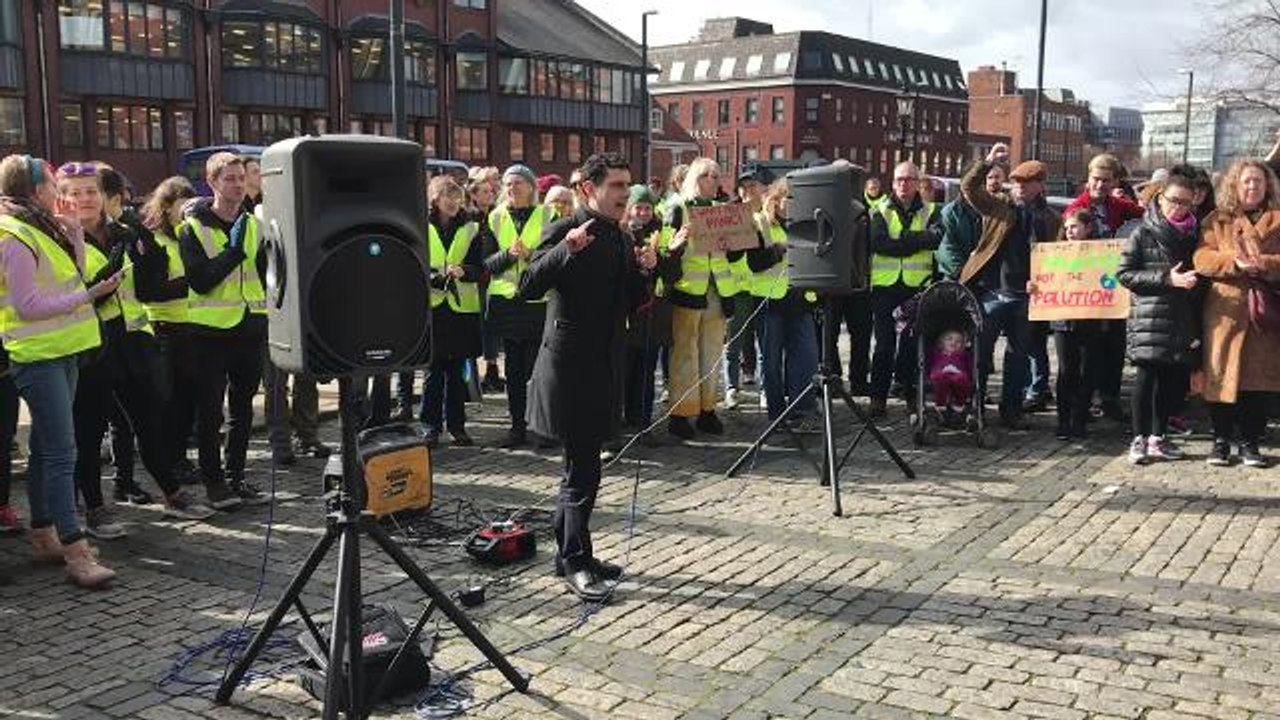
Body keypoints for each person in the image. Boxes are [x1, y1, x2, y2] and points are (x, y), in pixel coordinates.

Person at [521, 152, 656, 602]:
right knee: (582, 468)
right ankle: (575, 560)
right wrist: (566, 251)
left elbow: (633, 302)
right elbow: (527, 285)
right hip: (568, 365)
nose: (625, 195)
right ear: (588, 189)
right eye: (616, 186)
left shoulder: (620, 235)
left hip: (605, 361)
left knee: (585, 465)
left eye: (627, 185)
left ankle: (570, 553)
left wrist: (646, 270)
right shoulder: (566, 229)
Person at [59, 164, 214, 536]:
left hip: (131, 339)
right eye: (75, 192)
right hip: (90, 343)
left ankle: (172, 493)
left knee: (150, 421)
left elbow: (147, 285)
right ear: (62, 198)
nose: (84, 199)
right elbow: (63, 298)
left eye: (91, 191)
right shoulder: (59, 239)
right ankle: (96, 508)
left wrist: (148, 250)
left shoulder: (121, 231)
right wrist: (100, 285)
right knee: (90, 430)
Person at [0, 154, 118, 587]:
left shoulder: (40, 227)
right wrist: (88, 297)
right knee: (63, 453)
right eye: (52, 183)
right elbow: (29, 306)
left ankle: (43, 536)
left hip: (63, 349)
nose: (59, 192)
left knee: (48, 449)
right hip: (39, 354)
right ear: (35, 190)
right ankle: (75, 550)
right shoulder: (14, 234)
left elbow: (75, 273)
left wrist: (73, 234)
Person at [947, 143, 1062, 429]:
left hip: (1027, 296)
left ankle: (1011, 409)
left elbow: (1059, 258)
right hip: (992, 292)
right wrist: (987, 162)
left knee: (1018, 356)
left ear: (1040, 186)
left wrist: (1044, 283)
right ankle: (974, 405)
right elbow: (969, 188)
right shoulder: (999, 205)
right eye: (1017, 182)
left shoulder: (1051, 218)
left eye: (1027, 183)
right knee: (981, 354)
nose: (1020, 188)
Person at [178, 152, 268, 508]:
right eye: (229, 178)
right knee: (210, 411)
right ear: (212, 183)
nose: (237, 185)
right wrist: (233, 249)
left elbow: (265, 274)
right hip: (209, 333)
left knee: (243, 409)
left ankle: (236, 477)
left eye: (241, 178)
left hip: (250, 327)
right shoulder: (193, 227)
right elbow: (200, 281)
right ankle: (215, 484)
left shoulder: (255, 225)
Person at [1193, 159, 1280, 468]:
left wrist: (1266, 265)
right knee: (1220, 376)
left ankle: (1250, 442)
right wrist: (1234, 262)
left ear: (1267, 185)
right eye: (1246, 181)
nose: (1252, 186)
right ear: (1235, 184)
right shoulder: (1217, 220)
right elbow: (1202, 258)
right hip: (1224, 312)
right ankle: (1220, 441)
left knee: (1258, 381)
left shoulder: (1278, 219)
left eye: (1258, 181)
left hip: (1264, 314)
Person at [1116, 170, 1203, 464]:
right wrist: (1167, 279)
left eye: (1185, 203)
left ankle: (1158, 437)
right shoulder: (1142, 231)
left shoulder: (1195, 233)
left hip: (1181, 317)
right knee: (1145, 378)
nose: (1178, 208)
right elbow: (1124, 274)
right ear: (1160, 198)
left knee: (1170, 382)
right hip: (1150, 317)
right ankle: (1138, 438)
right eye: (1173, 200)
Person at [662, 158, 742, 441]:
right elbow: (667, 250)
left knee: (711, 355)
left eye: (718, 175)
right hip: (688, 290)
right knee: (685, 354)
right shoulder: (678, 209)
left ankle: (707, 409)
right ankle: (681, 412)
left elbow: (732, 255)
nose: (715, 180)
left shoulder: (722, 211)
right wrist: (681, 240)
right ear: (696, 177)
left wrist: (739, 237)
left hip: (717, 291)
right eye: (709, 175)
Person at [1064, 154, 1146, 421]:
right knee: (1087, 350)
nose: (1100, 185)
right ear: (1088, 178)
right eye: (1096, 179)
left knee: (1115, 344)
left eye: (1106, 180)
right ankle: (1084, 402)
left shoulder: (1119, 206)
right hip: (1085, 288)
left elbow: (1147, 218)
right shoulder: (1075, 207)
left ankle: (1110, 397)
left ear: (1114, 182)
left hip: (1114, 287)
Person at [483, 165, 556, 447]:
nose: (512, 188)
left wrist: (532, 255)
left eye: (518, 183)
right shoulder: (495, 217)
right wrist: (509, 255)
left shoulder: (548, 215)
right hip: (508, 304)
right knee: (513, 371)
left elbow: (557, 256)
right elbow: (487, 263)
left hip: (538, 302)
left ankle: (541, 427)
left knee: (538, 370)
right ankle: (517, 427)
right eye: (508, 184)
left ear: (530, 186)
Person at [866, 161, 941, 417]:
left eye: (908, 179)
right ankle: (878, 397)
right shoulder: (880, 209)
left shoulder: (931, 210)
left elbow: (936, 238)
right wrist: (915, 241)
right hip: (885, 286)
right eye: (899, 179)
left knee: (911, 346)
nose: (903, 184)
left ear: (917, 182)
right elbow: (879, 244)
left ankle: (911, 395)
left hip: (916, 287)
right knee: (884, 346)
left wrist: (903, 240)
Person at [140, 176, 201, 481]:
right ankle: (168, 462)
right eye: (182, 206)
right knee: (167, 401)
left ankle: (179, 458)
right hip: (164, 330)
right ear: (165, 207)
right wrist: (196, 279)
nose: (187, 211)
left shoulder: (189, 236)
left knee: (188, 400)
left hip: (192, 329)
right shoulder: (156, 241)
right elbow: (152, 291)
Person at [748, 179, 818, 424]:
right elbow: (753, 263)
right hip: (770, 301)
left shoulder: (803, 225)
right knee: (771, 361)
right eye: (789, 198)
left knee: (805, 357)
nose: (794, 204)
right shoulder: (759, 223)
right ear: (776, 200)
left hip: (799, 299)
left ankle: (801, 409)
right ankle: (776, 415)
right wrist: (779, 249)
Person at [422, 176, 484, 448]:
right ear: (435, 199)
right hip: (433, 309)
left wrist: (464, 271)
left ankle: (457, 427)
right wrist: (434, 277)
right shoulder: (421, 226)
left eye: (458, 197)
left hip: (461, 309)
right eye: (449, 196)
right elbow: (414, 263)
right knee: (432, 374)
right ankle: (430, 427)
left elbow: (481, 267)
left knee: (457, 374)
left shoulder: (471, 228)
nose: (455, 202)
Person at [1038, 209, 1107, 440]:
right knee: (1066, 371)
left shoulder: (1101, 254)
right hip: (1063, 321)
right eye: (1067, 228)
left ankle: (1079, 420)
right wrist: (1035, 287)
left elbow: (1109, 281)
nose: (1069, 232)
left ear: (1088, 228)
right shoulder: (1056, 253)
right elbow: (1045, 280)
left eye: (1074, 227)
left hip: (1090, 320)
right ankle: (1063, 420)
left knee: (1088, 372)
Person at [621, 184, 672, 438]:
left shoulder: (663, 233)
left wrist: (659, 260)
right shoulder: (621, 232)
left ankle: (643, 421)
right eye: (638, 207)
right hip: (629, 313)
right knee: (625, 370)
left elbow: (674, 272)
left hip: (655, 312)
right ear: (629, 209)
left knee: (647, 371)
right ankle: (623, 419)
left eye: (647, 208)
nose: (643, 213)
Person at [723, 169, 766, 409]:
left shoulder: (768, 213)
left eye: (752, 186)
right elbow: (728, 253)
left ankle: (765, 388)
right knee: (735, 341)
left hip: (762, 287)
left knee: (765, 342)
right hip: (738, 287)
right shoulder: (730, 214)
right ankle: (731, 387)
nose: (747, 191)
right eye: (743, 187)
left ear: (762, 188)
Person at [468, 173, 505, 395]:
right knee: (478, 324)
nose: (490, 194)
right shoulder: (469, 219)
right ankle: (474, 377)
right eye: (484, 191)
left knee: (491, 324)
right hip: (475, 280)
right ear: (472, 195)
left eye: (491, 191)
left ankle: (492, 370)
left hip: (493, 279)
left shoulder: (495, 216)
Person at [928, 330, 973, 420]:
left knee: (961, 379)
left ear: (963, 345)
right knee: (939, 377)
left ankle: (959, 403)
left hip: (958, 373)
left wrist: (971, 377)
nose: (954, 342)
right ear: (941, 342)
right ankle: (941, 404)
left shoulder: (963, 355)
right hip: (940, 372)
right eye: (949, 339)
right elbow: (928, 364)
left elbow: (970, 367)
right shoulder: (936, 353)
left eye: (958, 341)